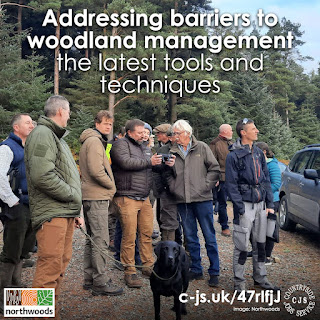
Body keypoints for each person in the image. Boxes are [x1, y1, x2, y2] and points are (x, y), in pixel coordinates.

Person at [24, 95, 84, 319]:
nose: (69, 115)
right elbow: (42, 176)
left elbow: (64, 175)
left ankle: (50, 314)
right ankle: (36, 315)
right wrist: (72, 197)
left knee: (58, 267)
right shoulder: (42, 134)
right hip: (52, 213)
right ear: (60, 111)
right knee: (48, 269)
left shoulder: (56, 137)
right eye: (68, 111)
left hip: (63, 212)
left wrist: (75, 211)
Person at [225, 118, 279, 293]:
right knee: (241, 246)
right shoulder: (233, 155)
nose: (257, 131)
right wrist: (239, 208)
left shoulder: (258, 153)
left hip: (261, 205)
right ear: (243, 132)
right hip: (245, 206)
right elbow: (231, 185)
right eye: (253, 129)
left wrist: (269, 203)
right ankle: (239, 284)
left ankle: (260, 278)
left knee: (260, 244)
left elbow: (266, 180)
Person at [165, 120, 221, 287]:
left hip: (203, 199)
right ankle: (196, 269)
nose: (174, 137)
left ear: (187, 134)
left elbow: (215, 169)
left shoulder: (202, 147)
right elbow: (167, 175)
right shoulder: (171, 151)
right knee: (190, 237)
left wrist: (205, 186)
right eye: (173, 134)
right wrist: (173, 187)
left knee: (209, 237)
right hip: (183, 200)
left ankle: (214, 271)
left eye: (176, 134)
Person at [110, 119, 162, 288]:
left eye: (145, 132)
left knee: (146, 234)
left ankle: (148, 266)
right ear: (129, 132)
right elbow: (125, 163)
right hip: (126, 196)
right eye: (140, 133)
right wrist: (149, 162)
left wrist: (163, 165)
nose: (143, 135)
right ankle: (130, 271)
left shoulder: (144, 147)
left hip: (144, 197)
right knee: (129, 235)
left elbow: (149, 168)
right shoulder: (120, 145)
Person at [79, 110, 123, 296]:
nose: (108, 126)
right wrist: (112, 187)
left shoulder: (91, 140)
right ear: (96, 123)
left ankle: (90, 278)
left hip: (90, 195)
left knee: (92, 239)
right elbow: (97, 171)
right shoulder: (95, 141)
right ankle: (100, 282)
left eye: (110, 124)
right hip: (96, 196)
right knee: (100, 240)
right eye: (105, 123)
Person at [0, 114, 35, 313]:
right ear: (16, 127)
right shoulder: (7, 148)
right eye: (27, 122)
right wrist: (12, 202)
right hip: (16, 206)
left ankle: (16, 290)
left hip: (29, 205)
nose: (32, 125)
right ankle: (3, 298)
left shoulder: (25, 148)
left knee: (23, 249)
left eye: (32, 122)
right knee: (11, 252)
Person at [255, 141, 281, 265]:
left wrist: (261, 191)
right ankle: (258, 251)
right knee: (259, 227)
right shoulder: (258, 164)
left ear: (264, 152)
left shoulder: (273, 165)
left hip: (272, 201)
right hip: (260, 200)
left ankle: (267, 255)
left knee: (269, 229)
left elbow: (276, 184)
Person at [209, 124, 233, 237]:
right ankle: (224, 226)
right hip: (222, 178)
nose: (232, 132)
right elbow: (212, 162)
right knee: (222, 203)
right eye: (230, 130)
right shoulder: (215, 143)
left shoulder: (232, 143)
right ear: (225, 131)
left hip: (233, 177)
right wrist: (215, 177)